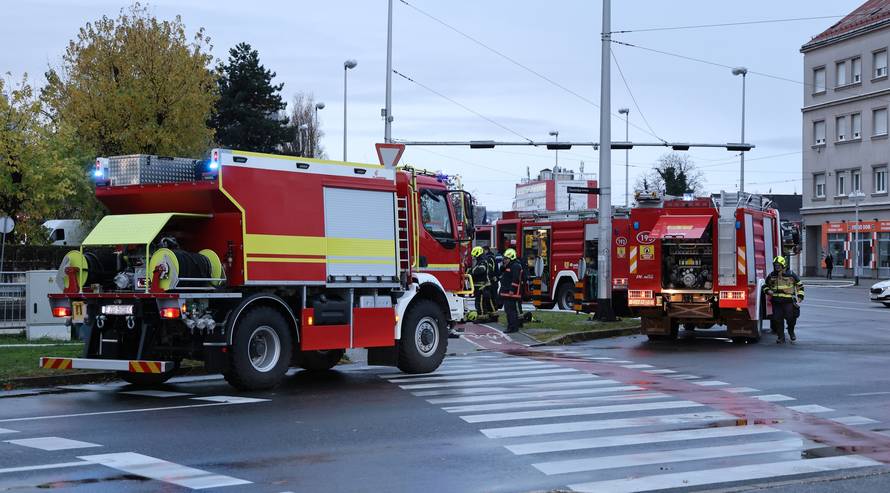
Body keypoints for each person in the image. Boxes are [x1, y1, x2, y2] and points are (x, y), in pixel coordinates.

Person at [764, 255, 805, 344]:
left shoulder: (790, 274)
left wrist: (800, 296)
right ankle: (781, 337)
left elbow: (800, 285)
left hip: (788, 301)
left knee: (791, 318)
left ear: (783, 265)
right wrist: (768, 291)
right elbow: (765, 285)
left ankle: (791, 331)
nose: (777, 267)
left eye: (778, 265)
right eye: (775, 265)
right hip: (776, 301)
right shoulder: (772, 275)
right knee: (778, 320)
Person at [499, 248, 523, 333]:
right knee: (508, 311)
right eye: (504, 259)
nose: (504, 260)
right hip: (506, 292)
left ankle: (513, 327)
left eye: (506, 259)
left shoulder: (515, 266)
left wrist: (512, 290)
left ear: (511, 258)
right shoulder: (508, 266)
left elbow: (515, 279)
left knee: (511, 311)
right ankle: (511, 326)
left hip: (512, 293)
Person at [469, 246, 497, 321]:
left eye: (475, 256)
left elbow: (480, 270)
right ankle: (490, 316)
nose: (474, 257)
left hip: (482, 286)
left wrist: (471, 271)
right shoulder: (481, 261)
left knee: (480, 302)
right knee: (485, 302)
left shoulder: (482, 262)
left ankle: (481, 317)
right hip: (482, 285)